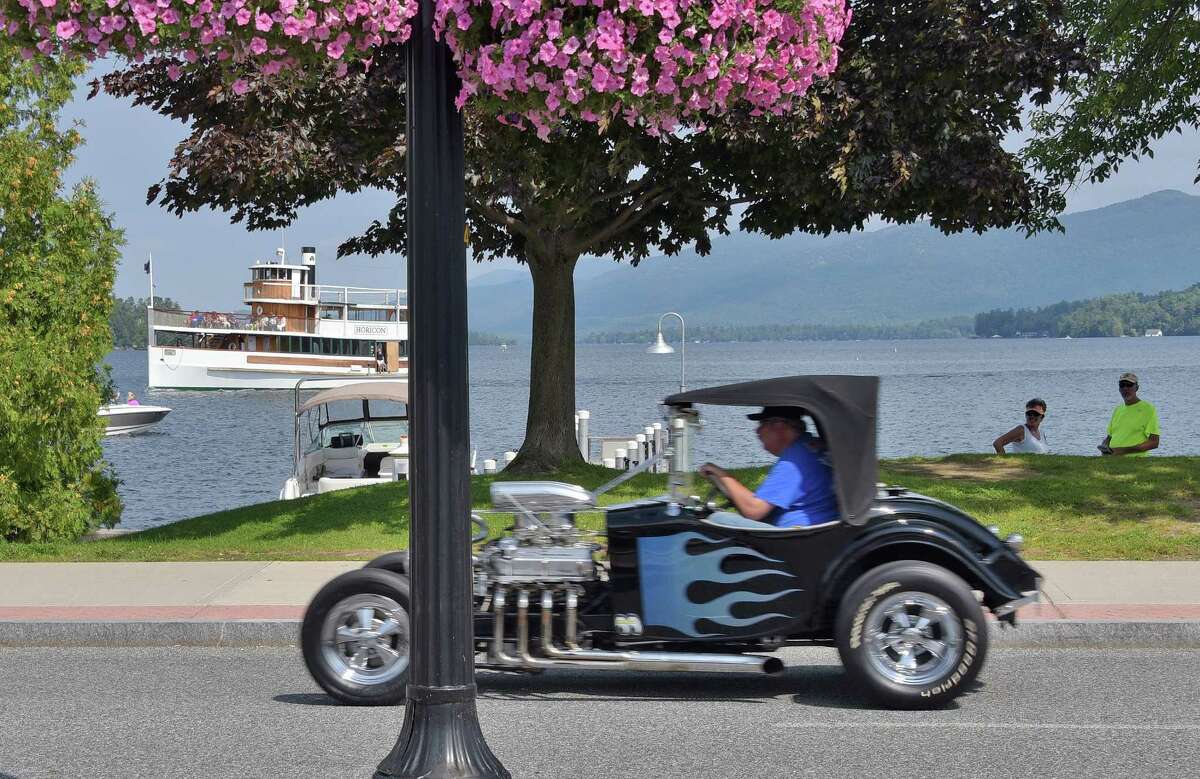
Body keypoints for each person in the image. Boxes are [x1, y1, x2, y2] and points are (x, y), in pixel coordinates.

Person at [698, 406, 839, 528]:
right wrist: (722, 482)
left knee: (715, 519)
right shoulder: (812, 447)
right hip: (825, 529)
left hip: (794, 537)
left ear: (779, 425)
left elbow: (754, 510)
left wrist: (723, 475)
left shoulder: (794, 460)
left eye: (762, 423)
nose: (757, 431)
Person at [1099, 372, 1160, 456]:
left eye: (1129, 385)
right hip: (1113, 460)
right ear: (1119, 389)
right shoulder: (1118, 409)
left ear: (1137, 388)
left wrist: (1122, 451)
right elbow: (1109, 437)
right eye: (1122, 385)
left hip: (1136, 461)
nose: (1125, 388)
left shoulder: (1148, 409)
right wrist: (1104, 446)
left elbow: (1154, 442)